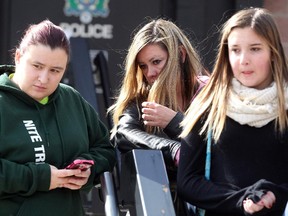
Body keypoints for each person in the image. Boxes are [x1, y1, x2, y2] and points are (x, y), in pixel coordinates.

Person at [177, 7, 288, 216]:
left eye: (255, 49)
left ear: (273, 52)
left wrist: (276, 196)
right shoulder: (209, 103)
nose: (243, 59)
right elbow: (188, 182)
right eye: (235, 50)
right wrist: (243, 200)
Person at [0, 20, 116, 216]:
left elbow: (106, 150)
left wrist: (87, 170)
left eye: (55, 71)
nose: (44, 78)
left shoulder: (71, 99)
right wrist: (41, 177)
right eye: (37, 66)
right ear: (18, 57)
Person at [108, 18, 208, 214]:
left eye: (156, 62)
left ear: (180, 54)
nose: (150, 73)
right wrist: (172, 149)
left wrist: (175, 122)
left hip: (211, 199)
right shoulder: (143, 96)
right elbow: (123, 133)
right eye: (143, 66)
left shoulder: (209, 93)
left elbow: (217, 148)